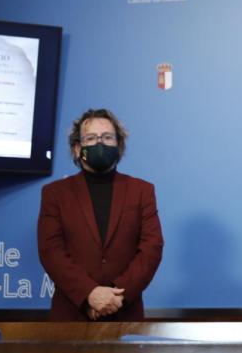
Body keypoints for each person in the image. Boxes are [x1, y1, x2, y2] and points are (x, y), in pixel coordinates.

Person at [38, 109, 164, 321]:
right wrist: (90, 294)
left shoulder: (142, 191)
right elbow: (51, 251)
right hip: (71, 316)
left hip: (125, 314)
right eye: (91, 138)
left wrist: (116, 296)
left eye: (107, 137)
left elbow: (151, 248)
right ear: (78, 148)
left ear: (119, 146)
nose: (100, 144)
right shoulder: (55, 194)